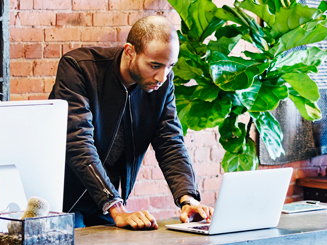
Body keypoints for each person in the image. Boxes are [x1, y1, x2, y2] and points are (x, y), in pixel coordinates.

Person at [48, 16, 214, 230]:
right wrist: (115, 207)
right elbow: (78, 142)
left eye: (170, 66)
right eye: (154, 65)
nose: (162, 77)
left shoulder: (162, 83)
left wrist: (188, 198)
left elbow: (170, 142)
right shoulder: (80, 68)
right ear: (130, 52)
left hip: (105, 203)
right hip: (63, 198)